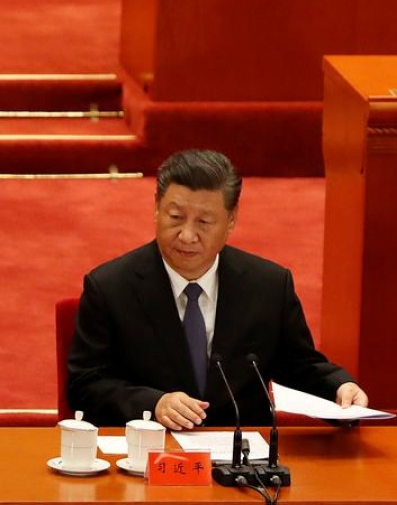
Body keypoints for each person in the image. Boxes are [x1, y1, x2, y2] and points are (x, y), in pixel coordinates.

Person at [67, 149, 368, 430]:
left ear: (231, 219)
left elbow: (299, 364)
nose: (186, 235)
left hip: (244, 458)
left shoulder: (269, 286)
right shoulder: (110, 287)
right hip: (150, 454)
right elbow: (85, 384)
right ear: (156, 209)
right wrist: (153, 404)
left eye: (204, 222)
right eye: (175, 217)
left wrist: (339, 387)